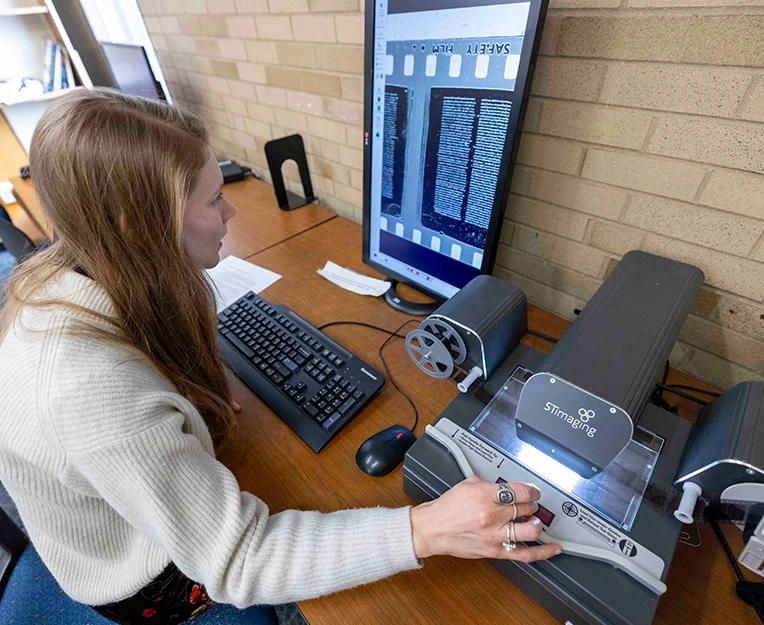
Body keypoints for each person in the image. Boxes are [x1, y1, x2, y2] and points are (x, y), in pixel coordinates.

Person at [0, 89, 561, 625]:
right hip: (147, 585)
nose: (231, 215)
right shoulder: (88, 387)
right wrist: (427, 529)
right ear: (135, 226)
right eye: (213, 199)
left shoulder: (69, 271)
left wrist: (176, 408)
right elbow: (240, 561)